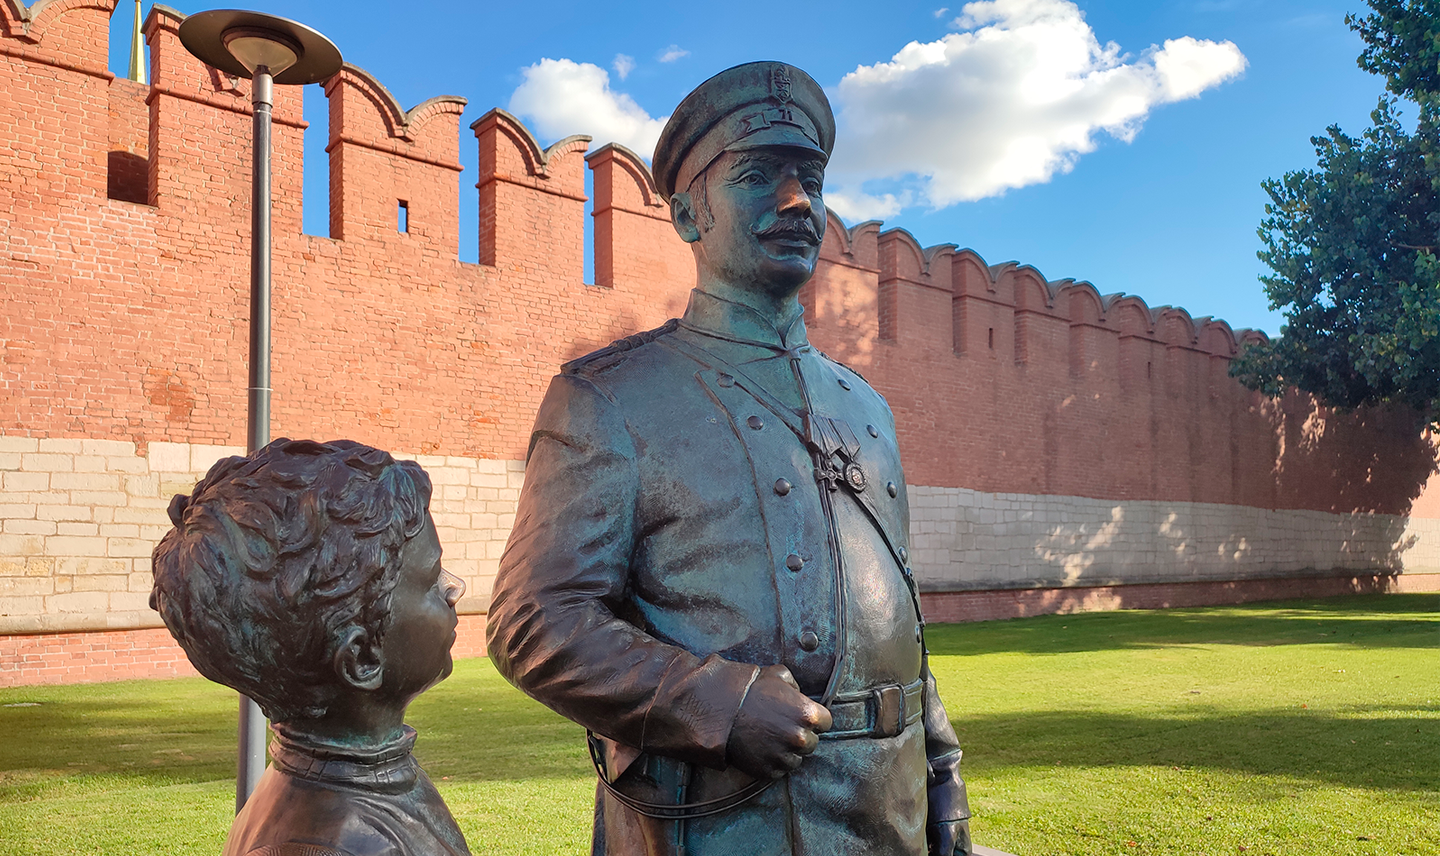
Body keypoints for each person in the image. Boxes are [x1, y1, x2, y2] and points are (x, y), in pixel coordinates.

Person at [487, 61, 973, 855]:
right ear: (686, 213)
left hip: (893, 818)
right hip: (717, 824)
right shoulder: (610, 398)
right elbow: (531, 620)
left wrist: (944, 780)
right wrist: (711, 700)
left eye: (809, 177)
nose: (796, 202)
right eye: (757, 176)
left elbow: (895, 625)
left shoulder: (869, 411)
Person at [151, 438, 470, 856]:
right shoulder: (342, 844)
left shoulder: (359, 778)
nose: (453, 590)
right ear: (361, 659)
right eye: (431, 580)